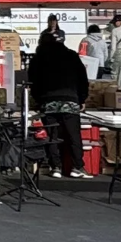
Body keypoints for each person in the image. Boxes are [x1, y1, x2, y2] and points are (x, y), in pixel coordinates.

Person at [29, 30, 92, 178]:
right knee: (73, 135)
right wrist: (82, 98)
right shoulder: (71, 55)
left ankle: (55, 167)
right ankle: (77, 167)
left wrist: (38, 99)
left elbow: (33, 82)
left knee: (52, 135)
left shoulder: (39, 58)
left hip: (48, 101)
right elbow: (83, 78)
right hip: (70, 99)